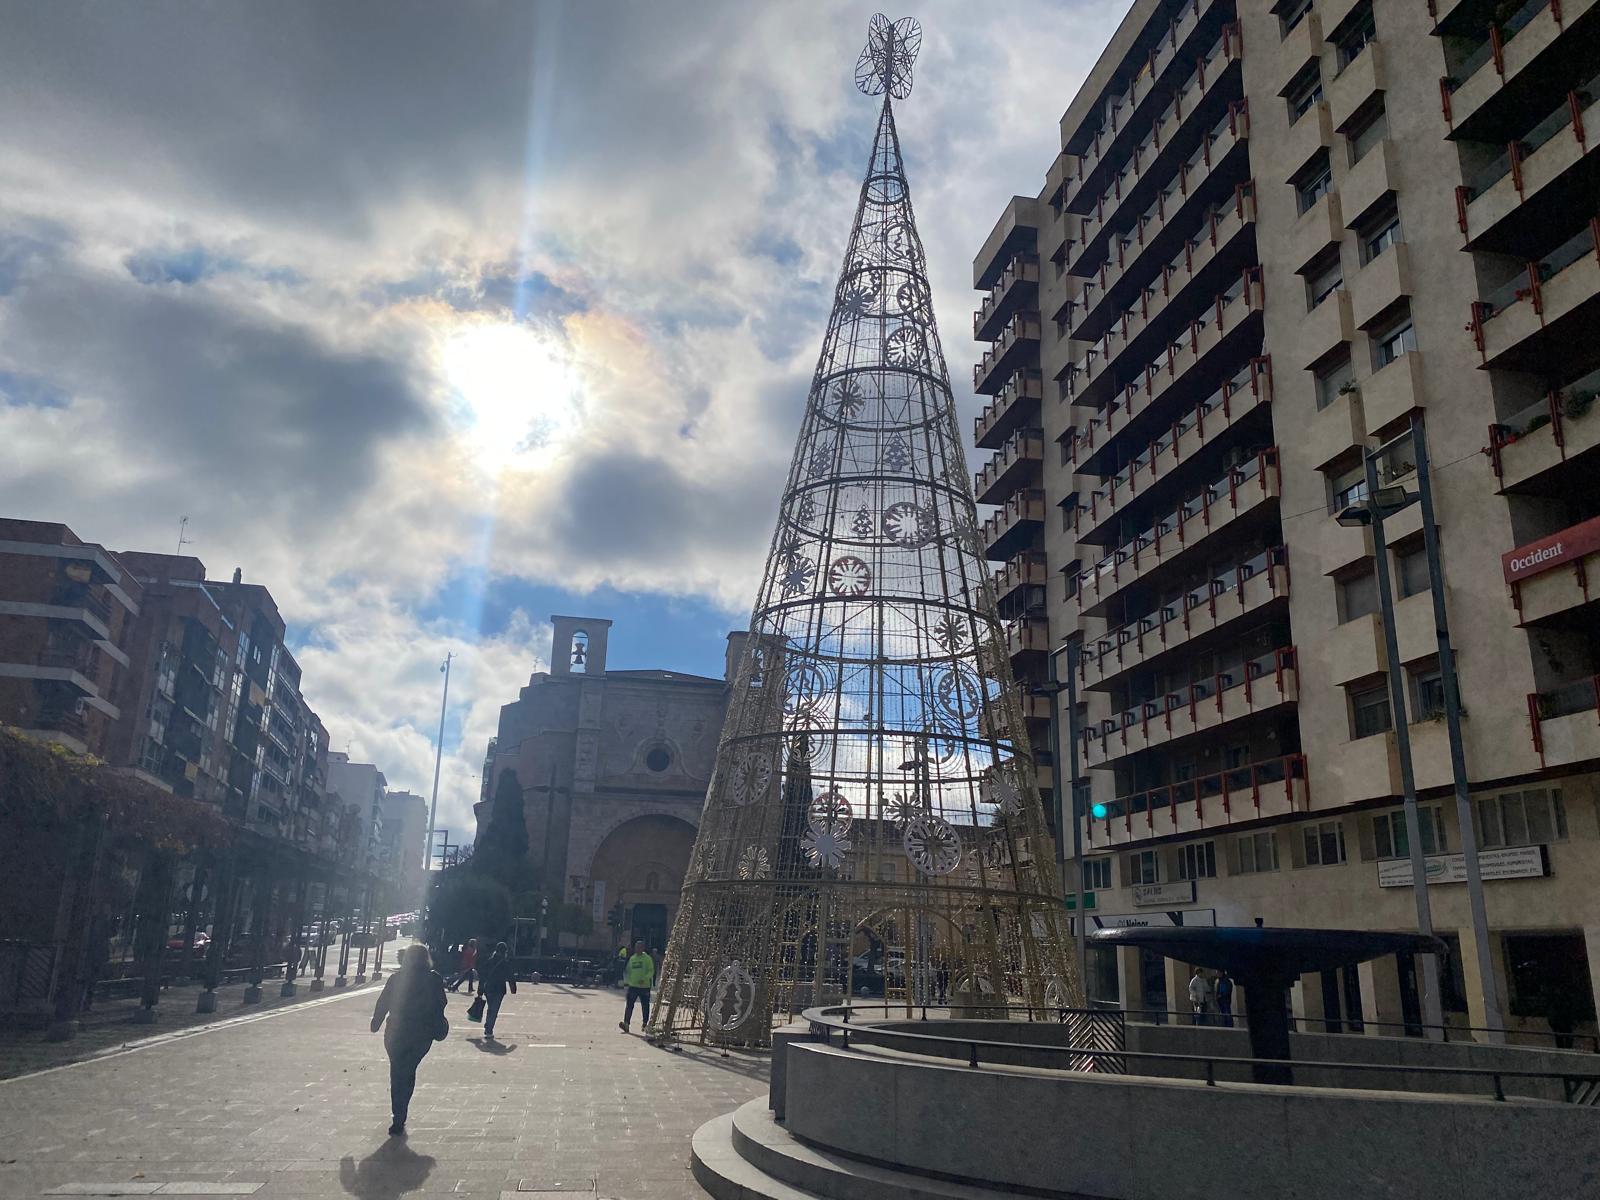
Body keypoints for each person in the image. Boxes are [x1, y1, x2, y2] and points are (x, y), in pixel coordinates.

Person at [369, 944, 447, 1137]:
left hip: (396, 1030)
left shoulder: (396, 979)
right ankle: (401, 1111)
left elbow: (384, 1001)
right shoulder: (434, 979)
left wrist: (376, 1021)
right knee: (408, 1070)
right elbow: (441, 1003)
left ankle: (398, 1115)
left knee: (397, 1071)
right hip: (422, 1033)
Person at [476, 941, 517, 1039]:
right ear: (505, 951)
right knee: (494, 1010)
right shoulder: (505, 963)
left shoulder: (489, 961)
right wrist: (513, 988)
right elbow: (510, 976)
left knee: (491, 1008)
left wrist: (480, 990)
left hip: (488, 988)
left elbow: (483, 976)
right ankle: (488, 1028)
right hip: (499, 989)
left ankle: (488, 1027)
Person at [618, 939, 655, 1033]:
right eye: (636, 947)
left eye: (639, 947)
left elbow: (651, 971)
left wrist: (645, 978)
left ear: (643, 948)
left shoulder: (647, 959)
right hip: (633, 986)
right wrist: (627, 981)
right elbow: (628, 970)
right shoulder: (632, 958)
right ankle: (626, 1024)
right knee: (629, 1005)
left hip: (644, 987)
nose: (637, 949)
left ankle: (645, 1024)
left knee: (645, 1006)